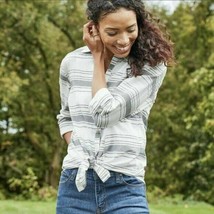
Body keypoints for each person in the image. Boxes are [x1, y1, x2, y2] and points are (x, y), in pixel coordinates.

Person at [56, 0, 174, 213]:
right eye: (112, 32)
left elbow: (105, 113)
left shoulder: (152, 65)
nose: (123, 40)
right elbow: (66, 117)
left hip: (125, 184)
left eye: (131, 29)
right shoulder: (71, 62)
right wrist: (80, 146)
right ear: (94, 28)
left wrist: (98, 57)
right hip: (75, 184)